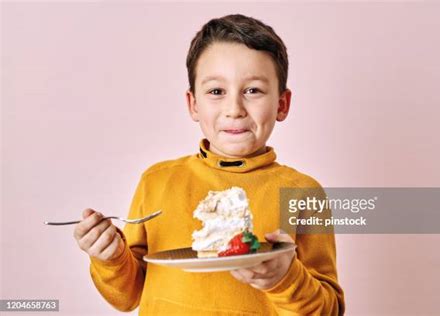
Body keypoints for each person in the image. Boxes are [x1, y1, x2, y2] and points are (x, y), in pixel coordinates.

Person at [73, 13, 345, 315]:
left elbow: (328, 309)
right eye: (216, 91)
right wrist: (110, 258)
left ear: (282, 104)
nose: (234, 109)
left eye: (253, 90)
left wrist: (285, 279)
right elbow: (126, 296)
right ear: (193, 105)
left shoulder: (304, 193)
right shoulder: (157, 181)